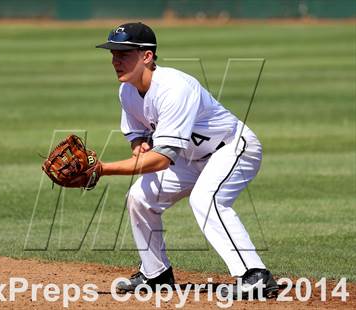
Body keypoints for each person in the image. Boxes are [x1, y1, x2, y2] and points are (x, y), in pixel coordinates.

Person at [96, 22, 278, 298]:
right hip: (188, 158)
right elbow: (138, 132)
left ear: (147, 56)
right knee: (139, 198)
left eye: (124, 53)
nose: (116, 61)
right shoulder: (127, 91)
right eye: (113, 53)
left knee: (207, 199)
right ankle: (156, 274)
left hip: (231, 147)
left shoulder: (174, 87)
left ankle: (255, 275)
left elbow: (160, 160)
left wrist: (101, 170)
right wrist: (139, 143)